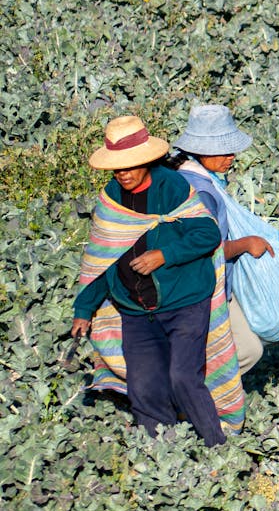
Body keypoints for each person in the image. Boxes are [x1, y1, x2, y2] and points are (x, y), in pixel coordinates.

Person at [72, 115, 236, 447]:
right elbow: (105, 257)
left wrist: (164, 255)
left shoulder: (173, 187)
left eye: (130, 165)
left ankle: (217, 450)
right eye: (117, 168)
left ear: (147, 160)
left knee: (183, 378)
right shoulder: (111, 199)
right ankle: (162, 456)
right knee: (144, 386)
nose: (124, 173)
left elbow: (206, 233)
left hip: (185, 302)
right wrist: (84, 308)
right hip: (136, 309)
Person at [171, 104, 273, 375]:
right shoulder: (200, 190)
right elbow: (201, 248)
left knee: (241, 350)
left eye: (232, 149)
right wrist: (246, 244)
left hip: (212, 286)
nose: (231, 156)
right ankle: (193, 402)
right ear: (201, 151)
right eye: (223, 150)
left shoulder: (201, 178)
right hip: (201, 291)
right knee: (245, 351)